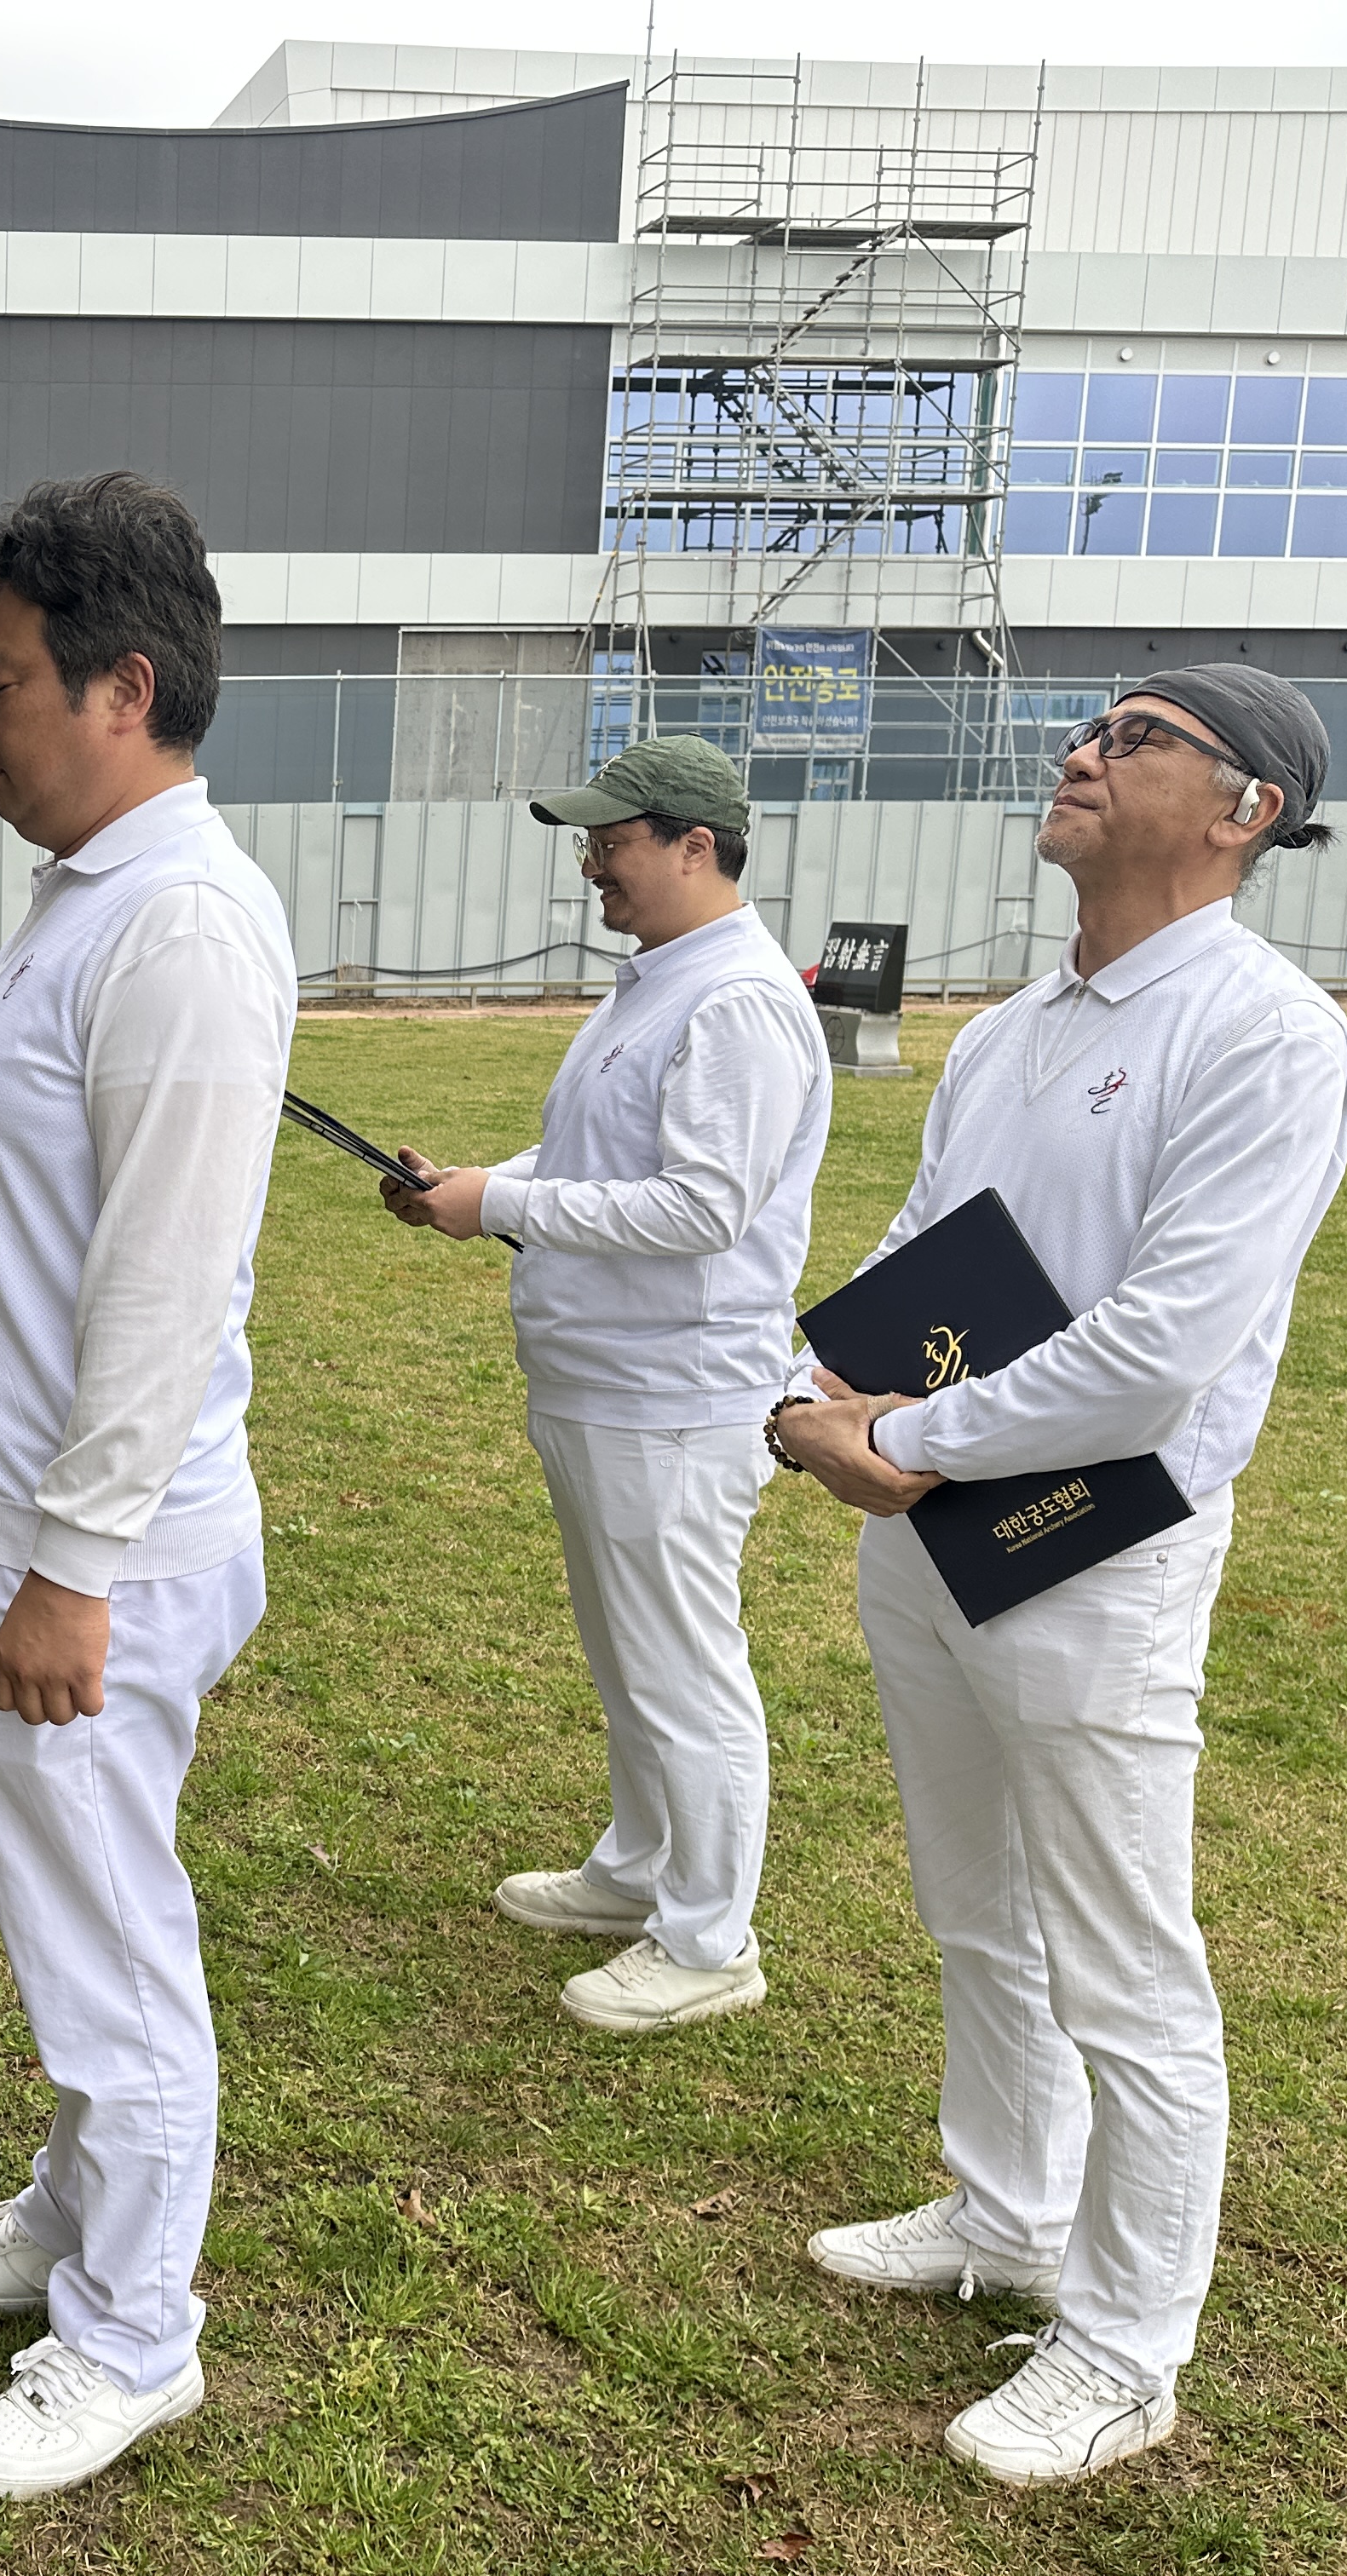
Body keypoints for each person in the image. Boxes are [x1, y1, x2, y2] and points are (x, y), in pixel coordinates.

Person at [775, 668, 1347, 2487]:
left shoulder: (1267, 1035)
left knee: (1121, 1958)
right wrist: (819, 1387)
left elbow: (1161, 1348)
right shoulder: (1016, 1027)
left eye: (1136, 738)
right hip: (927, 1527)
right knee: (976, 1904)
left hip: (1099, 1553)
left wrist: (909, 1435)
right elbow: (919, 1246)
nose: (1081, 752)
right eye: (1090, 729)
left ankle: (1123, 2346)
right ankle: (1007, 2208)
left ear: (1248, 810)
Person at [0, 472, 296, 2501]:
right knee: (73, 1913)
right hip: (16, 1523)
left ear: (122, 689)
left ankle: (133, 2333)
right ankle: (77, 2209)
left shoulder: (185, 925)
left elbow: (162, 1284)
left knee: (117, 1938)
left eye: (4, 684)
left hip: (88, 1554)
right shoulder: (94, 898)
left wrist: (71, 1568)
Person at [380, 738, 828, 2033]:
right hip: (606, 1381)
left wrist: (502, 1204)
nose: (590, 864)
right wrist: (478, 1187)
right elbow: (596, 1155)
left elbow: (702, 1207)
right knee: (633, 1655)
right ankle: (640, 1868)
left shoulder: (734, 1002)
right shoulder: (660, 983)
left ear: (695, 846)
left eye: (612, 841)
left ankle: (709, 1937)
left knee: (683, 1668)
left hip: (674, 1392)